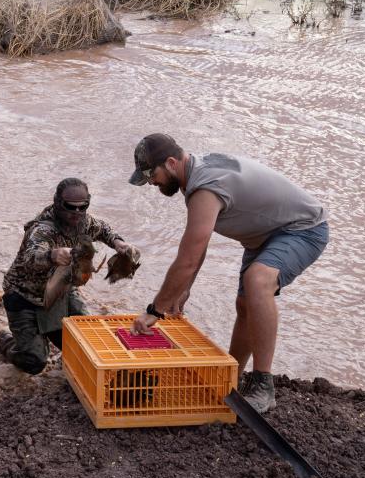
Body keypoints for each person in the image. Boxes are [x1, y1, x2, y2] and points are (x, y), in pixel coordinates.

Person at [127, 133, 328, 413]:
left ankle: (263, 384)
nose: (151, 182)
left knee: (258, 282)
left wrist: (155, 309)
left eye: (152, 174)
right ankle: (232, 377)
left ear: (171, 163)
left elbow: (187, 258)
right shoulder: (195, 175)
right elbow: (198, 247)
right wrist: (183, 289)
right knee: (245, 304)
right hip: (265, 237)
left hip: (302, 230)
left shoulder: (205, 188)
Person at [0, 178, 140, 375]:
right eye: (70, 207)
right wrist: (52, 255)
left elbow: (103, 229)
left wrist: (118, 243)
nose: (76, 213)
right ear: (57, 202)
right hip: (24, 296)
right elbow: (30, 258)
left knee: (87, 341)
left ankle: (50, 337)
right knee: (34, 362)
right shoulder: (43, 229)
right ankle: (5, 341)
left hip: (60, 291)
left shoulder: (84, 221)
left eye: (83, 207)